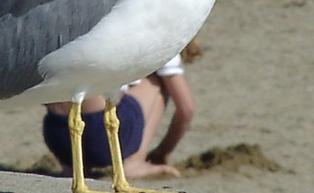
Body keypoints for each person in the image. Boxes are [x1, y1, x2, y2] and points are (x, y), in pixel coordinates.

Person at [43, 38, 202, 179]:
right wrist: (163, 151)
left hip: (57, 135)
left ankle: (74, 168)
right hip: (101, 134)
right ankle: (134, 163)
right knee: (158, 82)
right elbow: (186, 109)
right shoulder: (159, 36)